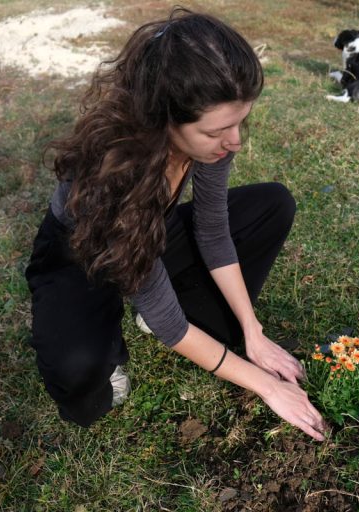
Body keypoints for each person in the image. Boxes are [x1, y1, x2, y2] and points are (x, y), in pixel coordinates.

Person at [24, 7, 327, 441]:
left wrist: (252, 331)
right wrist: (267, 386)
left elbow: (212, 229)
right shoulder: (114, 175)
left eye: (240, 122)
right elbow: (169, 323)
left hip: (151, 230)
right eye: (218, 131)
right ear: (163, 119)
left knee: (271, 205)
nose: (235, 140)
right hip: (80, 253)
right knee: (80, 378)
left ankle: (179, 311)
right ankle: (106, 338)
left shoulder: (213, 137)